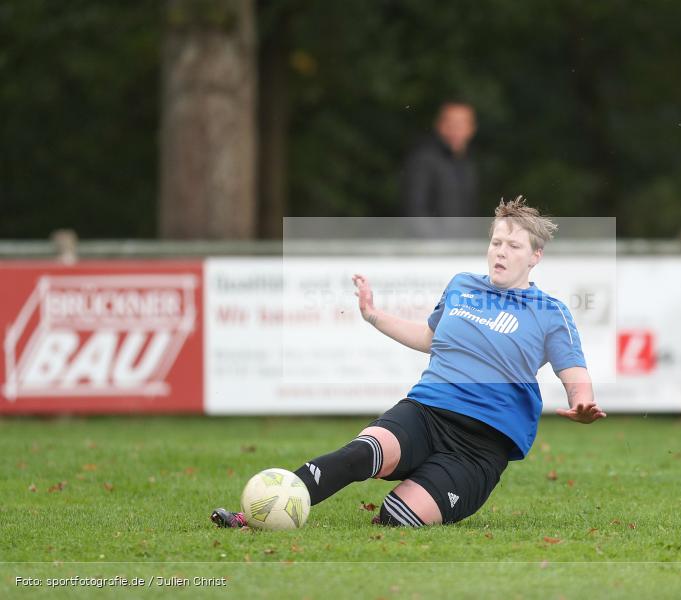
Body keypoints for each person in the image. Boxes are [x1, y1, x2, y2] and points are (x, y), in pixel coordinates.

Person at [211, 196, 606, 528]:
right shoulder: (462, 286)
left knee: (395, 517)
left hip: (480, 447)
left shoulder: (549, 311)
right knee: (360, 453)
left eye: (514, 246)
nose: (501, 251)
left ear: (535, 256)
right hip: (426, 412)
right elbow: (432, 339)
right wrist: (373, 316)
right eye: (496, 242)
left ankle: (425, 480)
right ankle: (254, 517)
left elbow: (574, 374)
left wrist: (582, 403)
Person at [402, 101, 478, 221]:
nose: (456, 129)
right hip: (431, 239)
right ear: (439, 125)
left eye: (461, 123)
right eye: (451, 123)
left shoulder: (467, 163)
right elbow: (415, 211)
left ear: (471, 128)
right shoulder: (423, 160)